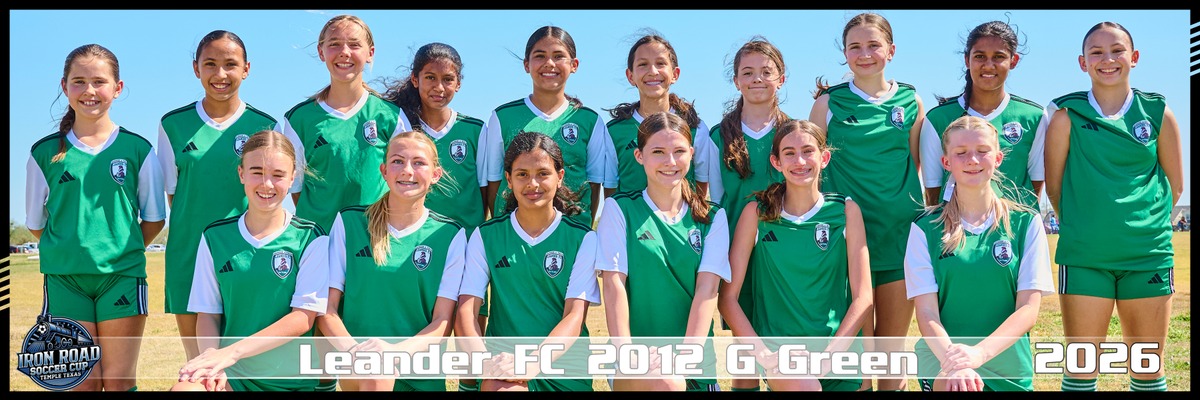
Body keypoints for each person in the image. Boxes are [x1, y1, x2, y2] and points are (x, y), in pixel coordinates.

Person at [1045, 21, 1183, 392]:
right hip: (1085, 257)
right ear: (1082, 62)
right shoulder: (1066, 115)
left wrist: (1143, 226)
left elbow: (1175, 186)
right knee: (1081, 370)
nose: (1108, 59)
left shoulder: (1158, 112)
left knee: (1147, 369)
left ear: (1134, 57)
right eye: (1097, 52)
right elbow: (1055, 188)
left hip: (1147, 256)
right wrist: (1087, 226)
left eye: (1117, 50)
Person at [25, 43, 165, 391]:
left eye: (99, 81)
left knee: (118, 380)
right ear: (64, 87)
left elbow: (154, 219)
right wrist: (72, 250)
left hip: (121, 278)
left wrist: (118, 250)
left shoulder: (138, 149)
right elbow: (36, 224)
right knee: (80, 382)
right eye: (79, 82)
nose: (89, 90)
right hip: (65, 280)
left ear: (117, 88)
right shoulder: (44, 153)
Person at [809, 12, 925, 391]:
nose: (864, 54)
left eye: (873, 45)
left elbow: (916, 164)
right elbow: (812, 171)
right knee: (855, 361)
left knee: (891, 354)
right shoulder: (829, 103)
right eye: (854, 46)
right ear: (844, 53)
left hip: (898, 238)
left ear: (891, 50)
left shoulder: (911, 100)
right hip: (846, 243)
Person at [718, 119, 872, 392]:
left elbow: (864, 298)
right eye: (789, 153)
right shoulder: (757, 214)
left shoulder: (846, 212)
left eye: (808, 151)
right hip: (782, 355)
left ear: (824, 158)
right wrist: (765, 356)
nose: (799, 161)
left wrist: (829, 357)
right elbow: (728, 299)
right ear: (776, 162)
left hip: (837, 353)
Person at [172, 130, 329, 392]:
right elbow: (208, 314)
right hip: (233, 375)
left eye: (278, 175)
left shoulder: (311, 237)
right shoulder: (215, 237)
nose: (267, 184)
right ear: (241, 173)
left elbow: (302, 318)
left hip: (290, 381)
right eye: (257, 172)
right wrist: (213, 362)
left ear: (292, 178)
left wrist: (230, 353)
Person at [157, 30, 281, 363]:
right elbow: (174, 195)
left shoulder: (265, 125)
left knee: (246, 363)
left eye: (230, 64)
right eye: (210, 64)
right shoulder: (173, 124)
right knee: (198, 363)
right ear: (196, 68)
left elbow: (271, 193)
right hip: (188, 255)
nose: (220, 73)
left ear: (246, 69)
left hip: (245, 256)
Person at [906, 115, 1054, 392]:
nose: (972, 160)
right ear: (946, 162)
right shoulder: (925, 228)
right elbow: (926, 313)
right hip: (944, 359)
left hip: (1007, 365)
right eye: (961, 153)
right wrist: (957, 363)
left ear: (998, 158)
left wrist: (979, 354)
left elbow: (1027, 309)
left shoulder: (1026, 223)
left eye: (982, 151)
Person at [317, 131, 466, 391]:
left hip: (419, 373)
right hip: (361, 367)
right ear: (384, 171)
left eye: (418, 162)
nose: (407, 170)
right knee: (376, 372)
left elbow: (442, 321)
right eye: (397, 161)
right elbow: (327, 310)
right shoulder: (350, 222)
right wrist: (357, 352)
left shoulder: (450, 234)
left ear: (435, 174)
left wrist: (395, 354)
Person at [456, 131, 600, 392]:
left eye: (543, 173)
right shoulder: (486, 236)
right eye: (522, 174)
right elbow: (466, 312)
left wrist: (533, 363)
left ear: (560, 176)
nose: (533, 183)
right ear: (508, 179)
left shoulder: (583, 238)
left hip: (563, 368)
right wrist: (486, 363)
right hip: (504, 364)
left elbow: (574, 316)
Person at [597, 112, 729, 391]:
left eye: (678, 151)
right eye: (658, 152)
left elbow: (707, 291)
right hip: (635, 359)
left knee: (670, 380)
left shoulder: (712, 217)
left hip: (694, 362)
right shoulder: (619, 209)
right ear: (639, 156)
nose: (670, 161)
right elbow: (613, 285)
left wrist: (685, 357)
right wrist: (628, 355)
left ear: (691, 154)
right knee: (666, 382)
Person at [694, 36, 790, 392]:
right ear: (736, 81)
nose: (757, 79)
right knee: (746, 352)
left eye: (766, 71)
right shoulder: (719, 136)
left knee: (786, 346)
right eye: (747, 72)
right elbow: (715, 201)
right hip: (740, 256)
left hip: (787, 255)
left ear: (781, 77)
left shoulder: (794, 134)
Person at [281, 14, 413, 231]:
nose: (344, 52)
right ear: (321, 52)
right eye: (334, 44)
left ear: (370, 53)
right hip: (318, 239)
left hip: (374, 237)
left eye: (354, 44)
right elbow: (295, 187)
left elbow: (405, 180)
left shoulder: (390, 116)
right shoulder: (299, 119)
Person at [483, 25, 616, 227]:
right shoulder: (502, 117)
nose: (549, 63)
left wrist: (584, 226)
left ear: (574, 65)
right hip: (514, 231)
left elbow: (594, 183)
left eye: (558, 56)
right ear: (526, 64)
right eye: (540, 56)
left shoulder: (589, 120)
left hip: (572, 231)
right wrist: (501, 225)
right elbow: (493, 182)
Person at [920, 20, 1048, 210]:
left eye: (998, 56)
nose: (988, 65)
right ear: (967, 60)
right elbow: (933, 191)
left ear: (1013, 61)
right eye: (980, 56)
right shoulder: (938, 119)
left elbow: (1035, 186)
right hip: (955, 226)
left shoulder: (1034, 117)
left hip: (1014, 225)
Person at [383, 42, 488, 229]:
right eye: (430, 77)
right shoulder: (402, 128)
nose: (439, 87)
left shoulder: (475, 130)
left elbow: (485, 189)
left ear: (458, 84)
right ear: (415, 79)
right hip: (416, 237)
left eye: (448, 79)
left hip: (466, 236)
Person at [605, 32, 712, 197]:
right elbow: (610, 190)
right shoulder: (614, 131)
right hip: (630, 215)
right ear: (630, 76)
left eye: (660, 63)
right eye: (643, 64)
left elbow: (700, 188)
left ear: (675, 74)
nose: (653, 71)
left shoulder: (695, 128)